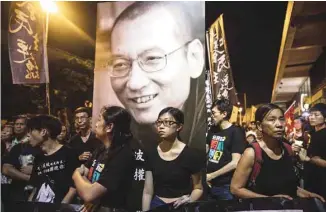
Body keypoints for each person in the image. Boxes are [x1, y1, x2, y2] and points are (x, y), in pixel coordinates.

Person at [108, 1, 206, 150]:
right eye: (120, 64)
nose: (134, 83)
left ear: (194, 57)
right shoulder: (120, 135)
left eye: (152, 59)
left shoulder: (208, 133)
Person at [230, 103, 324, 202]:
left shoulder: (287, 149)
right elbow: (236, 189)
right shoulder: (252, 153)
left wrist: (309, 195)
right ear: (259, 125)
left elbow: (290, 187)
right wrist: (271, 200)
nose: (279, 124)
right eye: (272, 120)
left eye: (281, 119)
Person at [72, 106, 134, 210]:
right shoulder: (100, 149)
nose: (95, 124)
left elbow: (89, 194)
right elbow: (86, 175)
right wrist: (92, 192)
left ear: (109, 127)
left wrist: (76, 174)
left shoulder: (122, 155)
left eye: (99, 120)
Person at [27, 115, 79, 204]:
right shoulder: (39, 157)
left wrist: (60, 208)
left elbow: (74, 187)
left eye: (31, 131)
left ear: (43, 132)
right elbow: (36, 187)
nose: (28, 135)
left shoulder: (69, 153)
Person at [206, 98, 245, 200]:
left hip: (225, 186)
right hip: (209, 184)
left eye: (214, 113)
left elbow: (235, 162)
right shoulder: (213, 130)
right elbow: (207, 152)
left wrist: (212, 175)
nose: (212, 115)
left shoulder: (236, 132)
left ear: (224, 114)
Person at [295, 103, 326, 199]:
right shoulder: (312, 134)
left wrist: (310, 159)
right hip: (311, 178)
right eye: (311, 115)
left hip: (322, 181)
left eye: (316, 115)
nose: (312, 117)